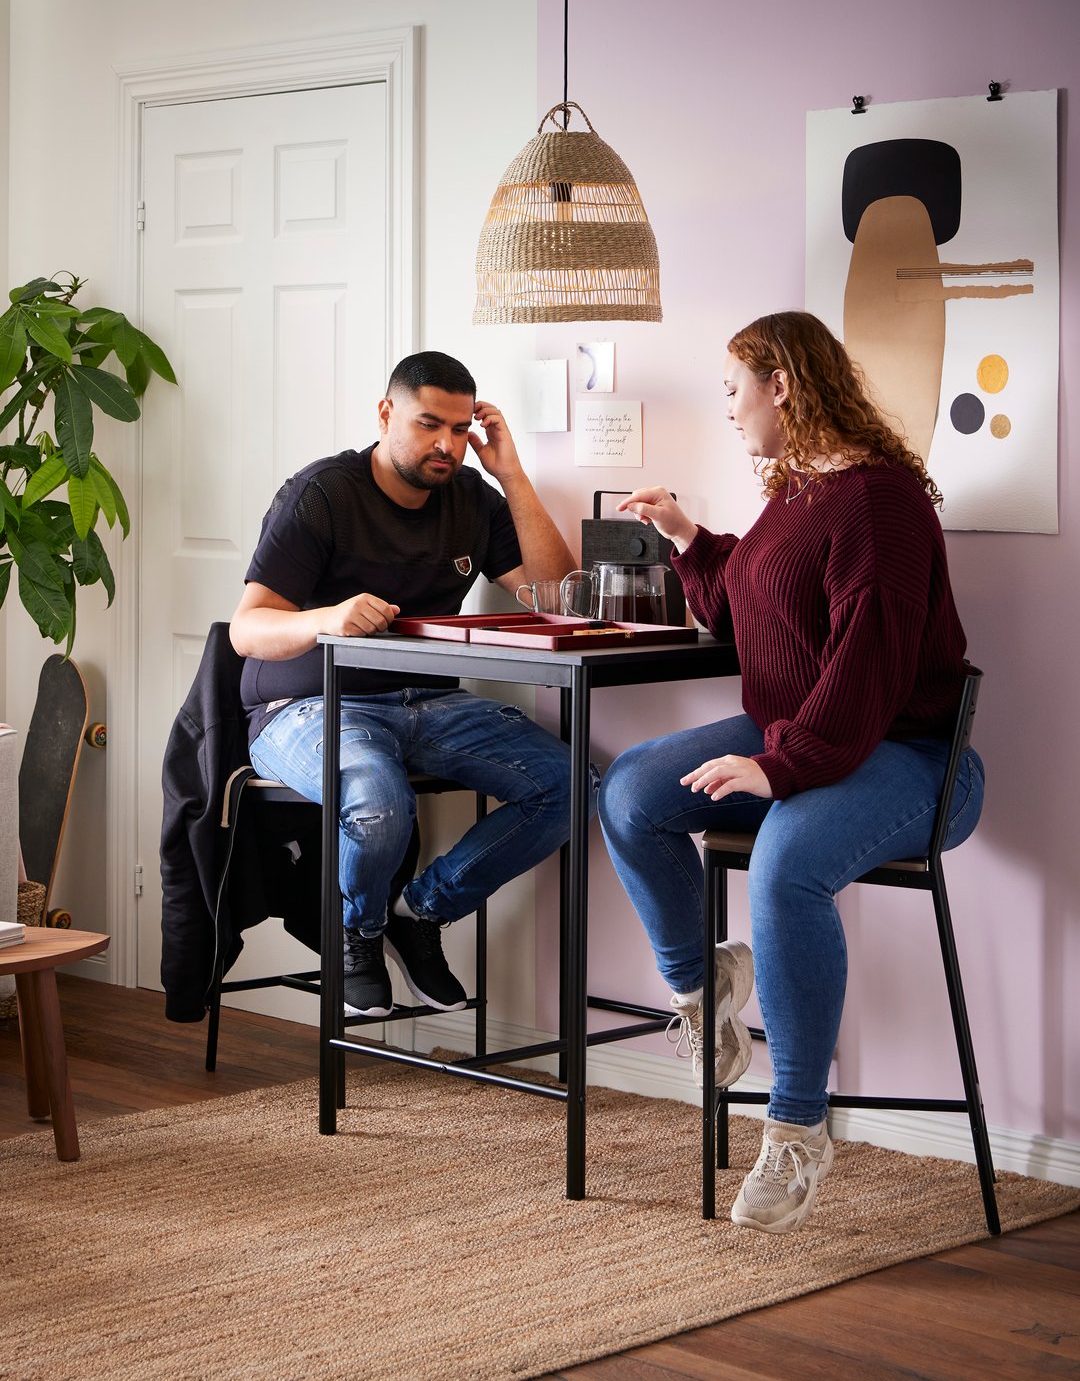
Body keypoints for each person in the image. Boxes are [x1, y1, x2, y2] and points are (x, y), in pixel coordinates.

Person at [597, 311, 985, 1234]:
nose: (726, 408)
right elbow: (752, 609)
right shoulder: (802, 490)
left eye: (734, 388)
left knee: (783, 862)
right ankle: (708, 989)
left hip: (913, 758)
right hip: (809, 728)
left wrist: (783, 767)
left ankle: (798, 1130)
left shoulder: (880, 500)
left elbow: (870, 660)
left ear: (782, 384)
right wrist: (688, 534)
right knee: (631, 793)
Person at [230, 350, 577, 1019]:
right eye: (427, 424)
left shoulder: (473, 498)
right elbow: (249, 631)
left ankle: (417, 912)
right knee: (379, 801)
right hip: (304, 706)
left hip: (426, 703)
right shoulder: (325, 492)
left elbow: (559, 597)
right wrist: (328, 619)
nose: (446, 444)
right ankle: (357, 935)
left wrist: (510, 473)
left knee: (571, 786)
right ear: (386, 413)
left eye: (458, 428)